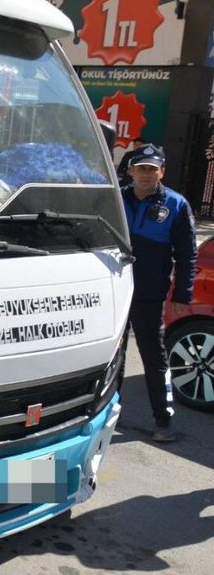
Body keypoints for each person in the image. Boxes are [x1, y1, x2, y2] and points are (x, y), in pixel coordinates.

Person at [122, 143, 197, 442]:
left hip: (149, 295)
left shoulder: (177, 205)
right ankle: (108, 413)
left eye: (152, 169)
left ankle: (163, 421)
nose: (146, 174)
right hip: (113, 292)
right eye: (141, 168)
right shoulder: (115, 198)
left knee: (154, 359)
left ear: (161, 172)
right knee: (113, 358)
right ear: (131, 170)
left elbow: (188, 255)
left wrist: (182, 294)